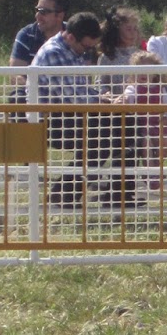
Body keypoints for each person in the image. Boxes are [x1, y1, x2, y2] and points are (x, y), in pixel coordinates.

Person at [30, 11, 117, 205]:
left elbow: (80, 90)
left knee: (107, 134)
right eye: (86, 46)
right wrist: (103, 101)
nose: (87, 51)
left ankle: (65, 195)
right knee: (101, 140)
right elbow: (73, 97)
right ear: (70, 36)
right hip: (46, 121)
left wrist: (101, 98)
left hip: (64, 115)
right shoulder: (55, 53)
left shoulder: (71, 49)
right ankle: (62, 196)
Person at [113, 49, 167, 185]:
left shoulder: (160, 89)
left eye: (147, 69)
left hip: (158, 125)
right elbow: (127, 97)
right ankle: (149, 173)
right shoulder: (133, 88)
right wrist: (125, 99)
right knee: (146, 143)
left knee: (166, 143)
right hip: (141, 126)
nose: (143, 74)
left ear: (155, 73)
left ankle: (156, 167)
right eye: (140, 69)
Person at [9, 0, 71, 69]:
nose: (37, 16)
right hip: (31, 81)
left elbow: (85, 75)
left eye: (43, 12)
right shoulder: (26, 35)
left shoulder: (74, 35)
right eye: (37, 10)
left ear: (60, 16)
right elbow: (16, 75)